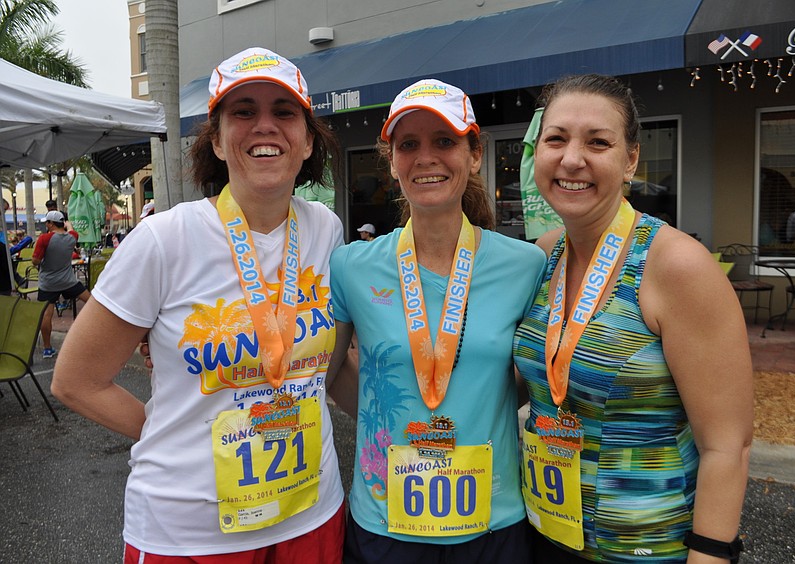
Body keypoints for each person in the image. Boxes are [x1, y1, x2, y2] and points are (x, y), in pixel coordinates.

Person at [51, 47, 346, 562]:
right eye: (243, 111)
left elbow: (333, 362)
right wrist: (171, 432)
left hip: (311, 513)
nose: (265, 126)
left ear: (306, 140)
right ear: (216, 137)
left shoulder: (325, 229)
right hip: (189, 530)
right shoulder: (164, 239)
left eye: (284, 111)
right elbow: (76, 380)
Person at [512, 75, 753, 563]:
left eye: (598, 142)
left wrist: (710, 554)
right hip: (546, 535)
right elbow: (528, 382)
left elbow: (727, 445)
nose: (572, 159)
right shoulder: (542, 256)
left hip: (647, 548)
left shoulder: (676, 265)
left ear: (631, 160)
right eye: (556, 139)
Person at [328, 79, 546, 563]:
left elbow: (529, 378)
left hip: (493, 523)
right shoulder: (350, 266)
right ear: (392, 161)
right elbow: (325, 371)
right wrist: (379, 410)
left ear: (474, 154)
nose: (426, 157)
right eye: (409, 145)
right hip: (384, 524)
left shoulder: (524, 265)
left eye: (444, 141)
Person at [32, 210, 90, 357]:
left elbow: (35, 261)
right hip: (68, 280)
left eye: (47, 222)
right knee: (92, 302)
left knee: (46, 315)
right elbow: (71, 230)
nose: (46, 224)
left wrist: (42, 261)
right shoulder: (72, 237)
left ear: (51, 224)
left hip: (48, 283)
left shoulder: (44, 239)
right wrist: (67, 224)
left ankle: (47, 348)